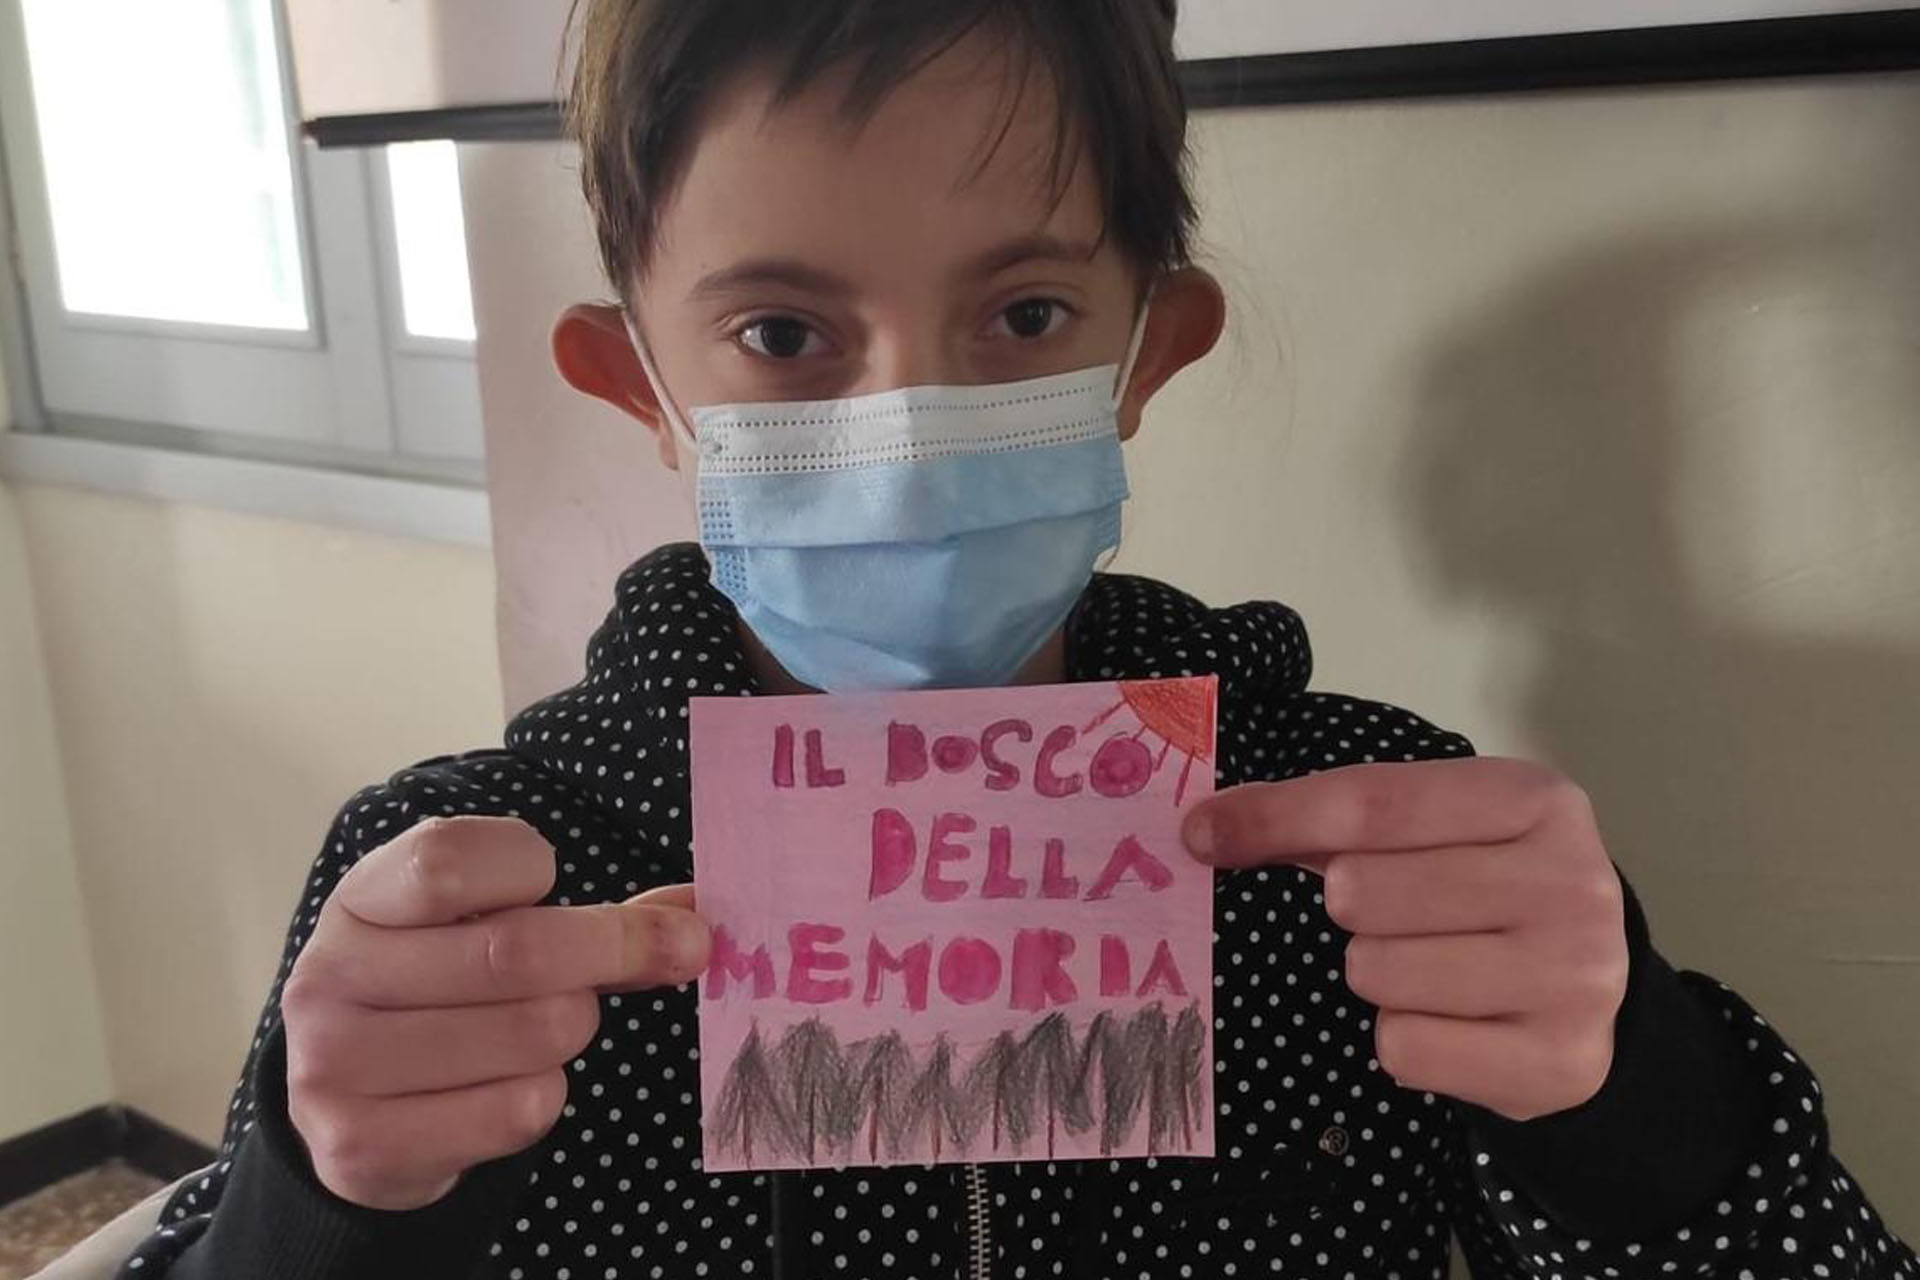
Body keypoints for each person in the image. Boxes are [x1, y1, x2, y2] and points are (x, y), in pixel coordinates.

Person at [114, 3, 1915, 1277]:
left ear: (1150, 350)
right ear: (638, 385)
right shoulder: (471, 903)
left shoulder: (1380, 856)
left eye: (1028, 313)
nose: (908, 439)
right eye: (785, 336)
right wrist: (318, 1215)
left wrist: (1632, 1100)